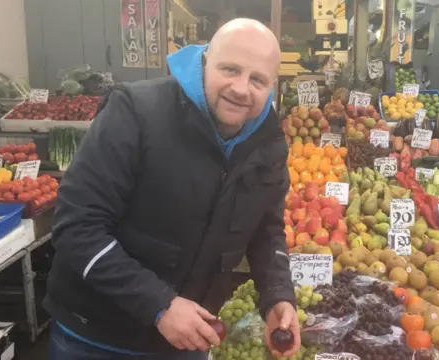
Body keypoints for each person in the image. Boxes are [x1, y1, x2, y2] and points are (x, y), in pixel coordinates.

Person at [45, 18, 299, 360]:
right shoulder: (136, 111)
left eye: (257, 79)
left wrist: (278, 295)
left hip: (186, 341)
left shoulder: (268, 142)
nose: (241, 88)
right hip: (95, 337)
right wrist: (159, 304)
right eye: (230, 69)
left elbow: (266, 229)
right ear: (205, 62)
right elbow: (77, 226)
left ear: (272, 85)